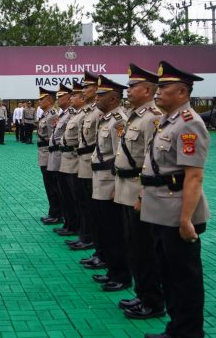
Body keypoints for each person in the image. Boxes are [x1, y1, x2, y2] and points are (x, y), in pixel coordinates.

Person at [140, 60, 210, 338]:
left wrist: (186, 219)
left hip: (177, 212)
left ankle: (189, 332)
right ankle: (176, 329)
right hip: (161, 210)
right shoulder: (168, 121)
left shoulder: (189, 124)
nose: (157, 92)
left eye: (164, 88)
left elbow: (194, 176)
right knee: (168, 274)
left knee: (184, 279)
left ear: (182, 92)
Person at [113, 64, 164, 319]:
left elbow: (152, 161)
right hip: (126, 188)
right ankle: (142, 294)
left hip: (138, 190)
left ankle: (152, 301)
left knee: (144, 249)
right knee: (133, 246)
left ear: (147, 90)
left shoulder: (152, 117)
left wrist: (144, 194)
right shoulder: (135, 116)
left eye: (133, 86)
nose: (128, 90)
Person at [89, 74, 131, 292]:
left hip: (110, 182)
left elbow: (119, 156)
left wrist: (116, 186)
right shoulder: (107, 119)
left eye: (101, 95)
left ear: (113, 99)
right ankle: (112, 270)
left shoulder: (119, 121)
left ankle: (121, 276)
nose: (96, 98)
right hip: (100, 180)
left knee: (114, 231)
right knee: (105, 228)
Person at [77, 71, 103, 261]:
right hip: (85, 163)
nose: (83, 90)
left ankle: (91, 240)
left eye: (87, 87)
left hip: (95, 167)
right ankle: (88, 238)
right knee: (86, 205)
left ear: (96, 89)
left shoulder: (99, 113)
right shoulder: (89, 111)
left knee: (94, 209)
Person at [59, 81, 85, 248]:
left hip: (76, 161)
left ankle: (83, 233)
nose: (71, 98)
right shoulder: (75, 114)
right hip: (67, 159)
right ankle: (74, 227)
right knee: (69, 196)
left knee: (79, 200)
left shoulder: (83, 115)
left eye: (74, 95)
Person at [49, 85, 77, 237]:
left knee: (69, 194)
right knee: (62, 192)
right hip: (60, 156)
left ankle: (72, 224)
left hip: (67, 157)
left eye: (61, 97)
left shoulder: (71, 114)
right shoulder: (63, 114)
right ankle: (68, 223)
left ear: (68, 98)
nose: (58, 99)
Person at [36, 88, 62, 224]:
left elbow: (54, 138)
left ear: (50, 101)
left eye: (42, 99)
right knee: (49, 185)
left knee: (52, 186)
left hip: (49, 154)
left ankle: (57, 214)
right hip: (43, 153)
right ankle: (53, 212)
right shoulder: (45, 115)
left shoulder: (52, 115)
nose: (39, 101)